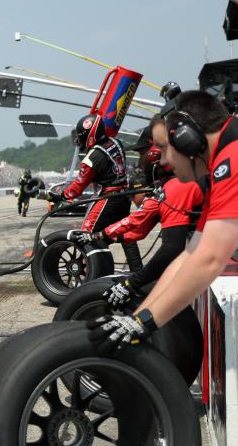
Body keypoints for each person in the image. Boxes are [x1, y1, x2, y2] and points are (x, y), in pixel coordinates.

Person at [88, 90, 238, 354]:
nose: (161, 161)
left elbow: (210, 260)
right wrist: (136, 318)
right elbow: (192, 254)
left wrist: (143, 324)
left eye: (162, 148)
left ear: (187, 140)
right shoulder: (229, 156)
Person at [72, 121, 204, 309]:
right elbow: (139, 227)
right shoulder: (167, 187)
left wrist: (132, 283)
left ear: (155, 155)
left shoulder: (177, 187)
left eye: (142, 154)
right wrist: (103, 236)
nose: (140, 161)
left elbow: (170, 248)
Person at [50, 113, 143, 271]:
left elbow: (77, 188)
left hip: (110, 196)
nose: (80, 141)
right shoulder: (116, 142)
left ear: (90, 135)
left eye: (82, 136)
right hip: (124, 194)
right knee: (125, 233)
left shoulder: (92, 157)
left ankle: (89, 271)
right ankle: (137, 271)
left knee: (87, 231)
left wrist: (60, 194)